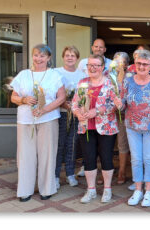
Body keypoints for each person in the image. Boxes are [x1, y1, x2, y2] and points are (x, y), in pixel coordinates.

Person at [10, 44, 66, 202]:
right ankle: (25, 190)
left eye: (42, 56)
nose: (38, 59)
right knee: (25, 155)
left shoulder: (54, 75)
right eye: (36, 55)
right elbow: (13, 97)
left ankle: (47, 188)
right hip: (25, 120)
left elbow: (61, 97)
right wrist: (23, 99)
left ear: (48, 58)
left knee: (47, 154)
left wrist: (45, 109)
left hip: (48, 119)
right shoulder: (23, 74)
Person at [115, 50, 150, 207]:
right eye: (139, 64)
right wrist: (118, 104)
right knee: (136, 159)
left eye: (145, 64)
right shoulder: (127, 82)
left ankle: (149, 191)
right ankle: (138, 190)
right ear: (134, 65)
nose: (142, 66)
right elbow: (123, 105)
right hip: (132, 126)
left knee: (149, 158)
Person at [72, 54, 119, 204]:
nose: (92, 68)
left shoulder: (110, 83)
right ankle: (91, 190)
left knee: (106, 158)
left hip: (106, 127)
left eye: (96, 65)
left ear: (103, 67)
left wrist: (97, 111)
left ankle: (107, 189)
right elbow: (74, 103)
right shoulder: (82, 83)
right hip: (86, 126)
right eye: (89, 65)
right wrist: (78, 113)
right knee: (88, 158)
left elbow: (115, 105)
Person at [55, 46, 85, 190]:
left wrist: (75, 106)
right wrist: (64, 104)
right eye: (67, 55)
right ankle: (55, 176)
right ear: (63, 57)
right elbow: (52, 93)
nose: (70, 57)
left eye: (73, 55)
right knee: (59, 145)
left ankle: (70, 174)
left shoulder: (81, 75)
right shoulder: (56, 73)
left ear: (77, 58)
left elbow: (84, 95)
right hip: (60, 114)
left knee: (72, 145)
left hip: (74, 115)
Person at [109, 51, 131, 185]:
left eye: (122, 62)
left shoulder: (131, 77)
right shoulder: (107, 76)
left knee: (122, 143)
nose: (119, 64)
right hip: (109, 115)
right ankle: (108, 169)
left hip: (124, 115)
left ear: (127, 64)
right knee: (107, 144)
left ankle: (122, 170)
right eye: (116, 61)